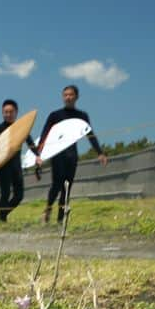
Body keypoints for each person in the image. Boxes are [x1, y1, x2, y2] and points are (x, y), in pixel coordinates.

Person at [37, 84, 109, 223]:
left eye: (71, 95)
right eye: (65, 95)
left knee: (67, 186)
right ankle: (48, 208)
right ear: (62, 97)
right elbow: (45, 134)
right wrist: (39, 154)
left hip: (72, 155)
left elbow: (90, 134)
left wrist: (99, 152)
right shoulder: (55, 115)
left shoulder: (81, 116)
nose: (68, 97)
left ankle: (60, 219)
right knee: (56, 184)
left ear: (76, 97)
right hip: (57, 154)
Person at [0, 99, 39, 222]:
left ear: (16, 112)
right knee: (5, 194)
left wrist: (37, 155)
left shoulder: (21, 127)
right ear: (2, 113)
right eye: (5, 112)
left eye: (10, 112)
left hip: (16, 166)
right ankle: (2, 218)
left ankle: (3, 214)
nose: (8, 114)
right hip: (3, 166)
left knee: (19, 195)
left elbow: (30, 143)